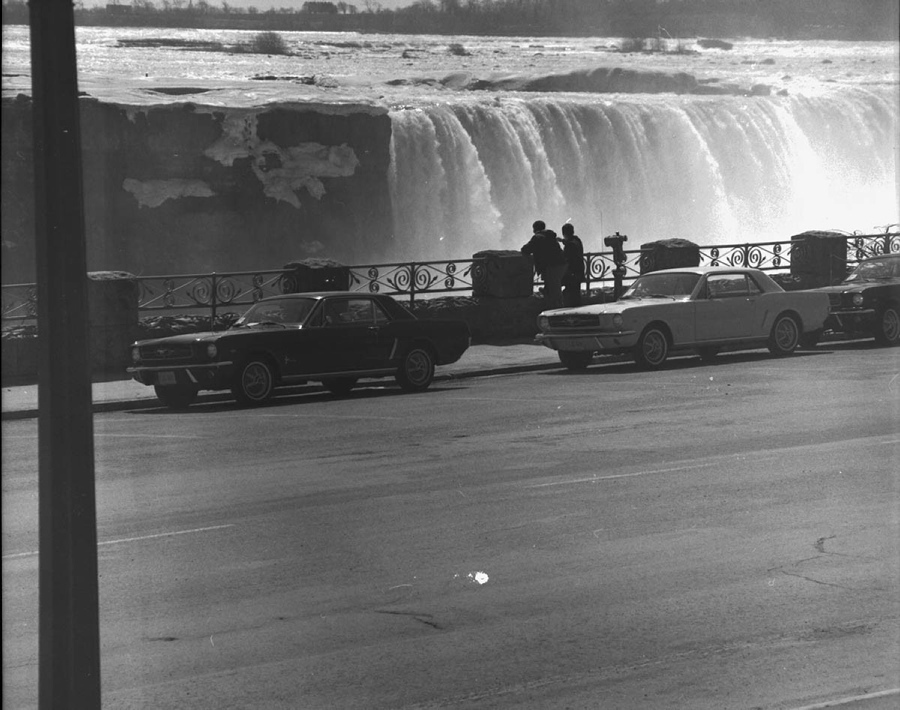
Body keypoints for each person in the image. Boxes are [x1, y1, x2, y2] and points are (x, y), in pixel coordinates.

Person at [521, 220, 567, 308]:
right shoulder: (550, 235)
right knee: (553, 285)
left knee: (554, 288)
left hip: (552, 265)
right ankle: (552, 302)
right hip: (561, 264)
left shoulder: (538, 237)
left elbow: (526, 249)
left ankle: (558, 309)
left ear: (535, 229)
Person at [559, 222, 585, 307]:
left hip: (572, 274)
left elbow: (567, 259)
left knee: (571, 295)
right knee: (576, 293)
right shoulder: (577, 240)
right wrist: (562, 241)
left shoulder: (570, 245)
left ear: (564, 233)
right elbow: (570, 243)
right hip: (579, 272)